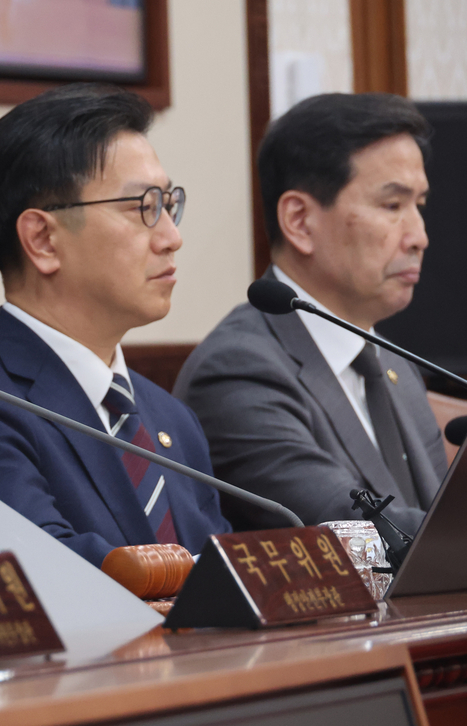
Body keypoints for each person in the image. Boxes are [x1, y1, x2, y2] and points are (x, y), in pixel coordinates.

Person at [0, 84, 229, 569]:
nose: (172, 238)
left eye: (169, 204)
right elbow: (43, 574)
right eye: (143, 208)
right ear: (43, 239)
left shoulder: (170, 419)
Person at [174, 93, 443, 531]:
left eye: (420, 206)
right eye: (393, 206)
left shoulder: (392, 363)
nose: (419, 236)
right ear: (300, 221)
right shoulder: (239, 370)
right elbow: (358, 533)